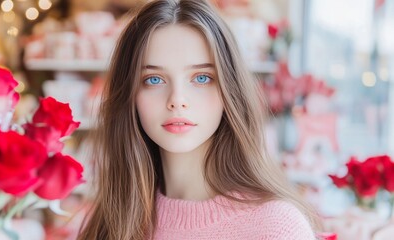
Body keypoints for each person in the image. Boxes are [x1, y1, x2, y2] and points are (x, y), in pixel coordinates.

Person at [78, 0, 319, 239]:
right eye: (153, 79)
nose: (177, 100)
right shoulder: (111, 220)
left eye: (201, 78)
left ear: (229, 91)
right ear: (129, 95)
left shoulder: (276, 227)